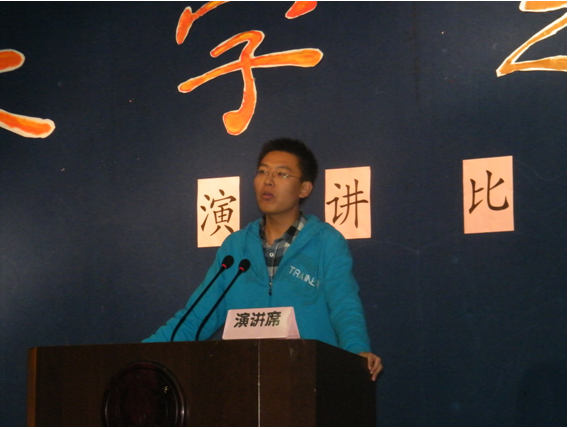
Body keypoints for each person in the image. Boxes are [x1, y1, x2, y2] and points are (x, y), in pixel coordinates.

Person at [144, 138, 382, 381]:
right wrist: (142, 355)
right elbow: (197, 316)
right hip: (244, 380)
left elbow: (344, 306)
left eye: (282, 174)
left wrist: (357, 351)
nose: (268, 180)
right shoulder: (235, 246)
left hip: (311, 378)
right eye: (262, 172)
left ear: (304, 189)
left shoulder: (326, 241)